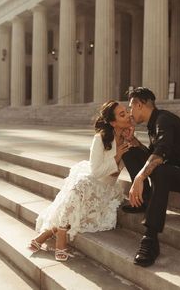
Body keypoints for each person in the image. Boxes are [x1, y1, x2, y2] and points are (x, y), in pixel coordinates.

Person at [28, 100, 133, 261]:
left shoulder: (129, 139)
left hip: (107, 189)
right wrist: (117, 156)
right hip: (92, 180)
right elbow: (96, 171)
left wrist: (127, 145)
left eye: (126, 112)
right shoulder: (100, 138)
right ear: (113, 122)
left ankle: (45, 235)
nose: (128, 115)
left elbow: (114, 176)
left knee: (77, 194)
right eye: (122, 114)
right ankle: (61, 233)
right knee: (81, 185)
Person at [122, 87, 180, 267]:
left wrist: (139, 179)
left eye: (131, 107)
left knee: (160, 170)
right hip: (171, 170)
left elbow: (161, 154)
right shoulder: (154, 123)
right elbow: (152, 153)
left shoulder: (163, 120)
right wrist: (134, 142)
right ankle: (144, 201)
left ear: (140, 104)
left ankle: (150, 240)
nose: (130, 112)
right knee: (130, 152)